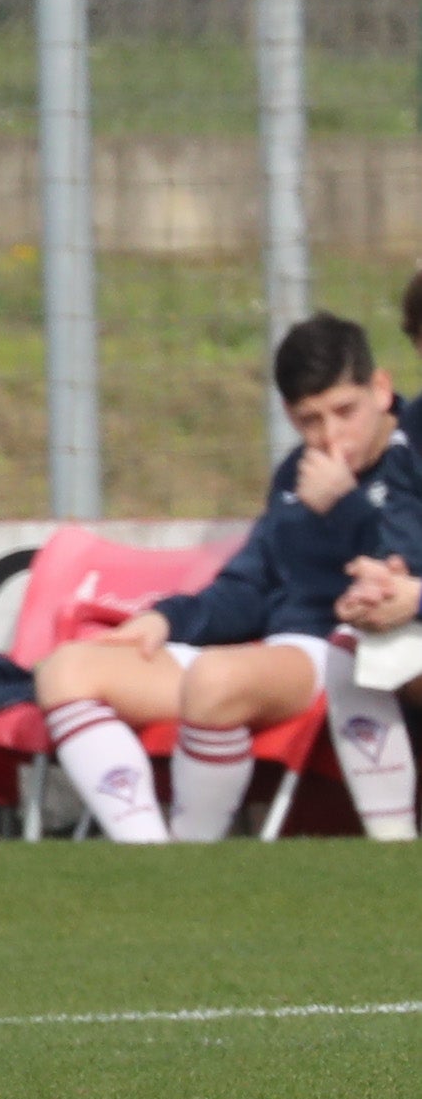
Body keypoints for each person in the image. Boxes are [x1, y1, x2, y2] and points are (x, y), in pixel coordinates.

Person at [36, 313, 421, 842]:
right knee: (67, 669)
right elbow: (250, 584)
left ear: (381, 389)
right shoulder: (296, 473)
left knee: (216, 680)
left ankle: (196, 852)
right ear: (289, 415)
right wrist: (166, 620)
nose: (331, 436)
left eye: (344, 412)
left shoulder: (412, 451)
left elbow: (399, 576)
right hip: (269, 652)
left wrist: (346, 507)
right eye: (310, 420)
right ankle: (150, 856)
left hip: (348, 653)